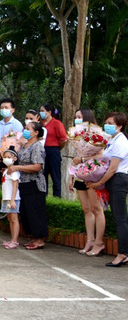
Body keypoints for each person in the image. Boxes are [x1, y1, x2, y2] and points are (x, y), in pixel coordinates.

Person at [87, 112, 128, 267]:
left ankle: (122, 254)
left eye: (111, 123)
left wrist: (99, 183)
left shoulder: (121, 142)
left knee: (120, 219)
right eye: (106, 122)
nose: (107, 125)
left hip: (118, 179)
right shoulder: (112, 140)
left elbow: (112, 168)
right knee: (121, 218)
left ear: (119, 125)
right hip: (114, 180)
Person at [67, 108, 106, 257]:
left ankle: (99, 242)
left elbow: (101, 155)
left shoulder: (97, 135)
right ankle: (90, 240)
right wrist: (72, 175)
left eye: (80, 116)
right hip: (79, 174)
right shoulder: (76, 135)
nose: (77, 119)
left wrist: (83, 160)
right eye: (76, 116)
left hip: (93, 173)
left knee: (97, 209)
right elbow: (77, 156)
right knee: (86, 209)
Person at [9, 121, 47, 250]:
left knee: (35, 211)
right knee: (27, 212)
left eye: (28, 129)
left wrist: (18, 167)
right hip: (23, 182)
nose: (25, 130)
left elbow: (37, 166)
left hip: (34, 183)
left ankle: (40, 239)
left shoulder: (37, 146)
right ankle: (33, 237)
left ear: (36, 133)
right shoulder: (24, 145)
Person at [0, 98, 24, 182]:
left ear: (12, 110)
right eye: (2, 108)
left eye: (6, 107)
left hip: (11, 158)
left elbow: (17, 143)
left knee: (11, 180)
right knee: (2, 180)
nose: (3, 109)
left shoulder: (17, 124)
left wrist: (9, 156)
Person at [40, 103, 67, 198]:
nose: (41, 113)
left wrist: (58, 148)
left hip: (53, 150)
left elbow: (63, 139)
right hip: (42, 150)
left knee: (55, 176)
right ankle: (44, 196)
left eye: (43, 111)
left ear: (49, 112)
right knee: (43, 175)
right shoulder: (41, 123)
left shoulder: (56, 123)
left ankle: (57, 197)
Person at [0, 148, 21, 249]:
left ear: (15, 158)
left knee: (14, 219)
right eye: (5, 157)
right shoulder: (6, 171)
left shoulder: (14, 172)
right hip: (7, 198)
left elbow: (15, 186)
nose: (6, 159)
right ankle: (12, 239)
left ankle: (15, 240)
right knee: (9, 219)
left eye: (9, 157)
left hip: (13, 199)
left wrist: (12, 200)